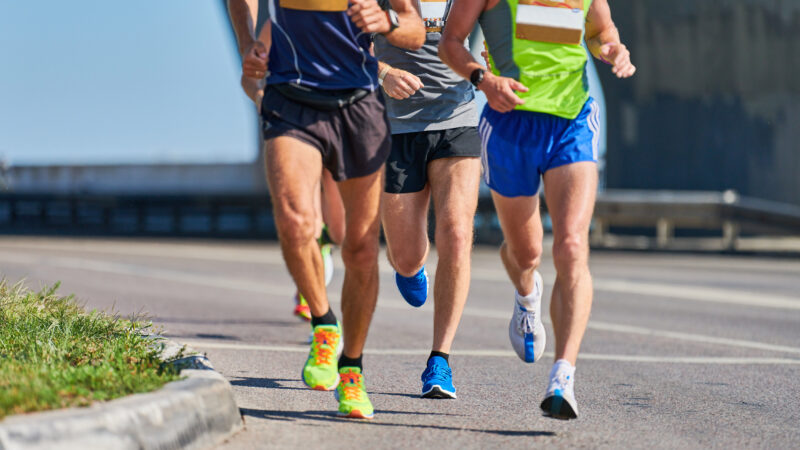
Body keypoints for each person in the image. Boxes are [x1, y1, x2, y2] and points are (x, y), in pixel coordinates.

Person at [228, 0, 424, 420]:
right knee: (296, 223)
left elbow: (414, 29)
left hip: (358, 104)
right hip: (290, 98)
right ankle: (323, 322)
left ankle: (351, 369)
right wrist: (247, 42)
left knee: (360, 249)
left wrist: (387, 21)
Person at [440, 0, 635, 419]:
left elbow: (602, 31)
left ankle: (563, 376)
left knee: (570, 246)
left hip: (572, 121)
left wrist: (614, 49)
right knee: (527, 253)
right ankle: (527, 295)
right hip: (511, 125)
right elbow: (452, 42)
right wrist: (483, 79)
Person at [373, 0, 481, 399]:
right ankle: (410, 267)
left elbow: (504, 31)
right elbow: (344, 43)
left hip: (457, 118)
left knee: (455, 233)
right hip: (395, 127)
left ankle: (441, 359)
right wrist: (383, 72)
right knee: (406, 254)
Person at [235, 16, 346, 322]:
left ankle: (324, 242)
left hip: (341, 122)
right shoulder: (281, 23)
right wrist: (262, 100)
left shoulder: (348, 20)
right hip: (293, 124)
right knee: (300, 217)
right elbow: (249, 78)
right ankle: (318, 310)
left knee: (340, 231)